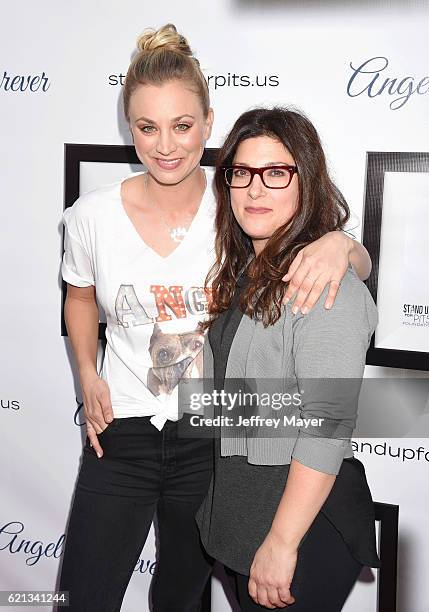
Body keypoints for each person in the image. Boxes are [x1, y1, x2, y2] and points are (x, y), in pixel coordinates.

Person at [59, 24, 373, 612]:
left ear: (208, 121)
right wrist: (86, 371)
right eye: (146, 127)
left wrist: (341, 244)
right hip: (122, 429)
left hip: (208, 434)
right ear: (129, 126)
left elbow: (329, 262)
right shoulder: (92, 217)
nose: (166, 145)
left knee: (180, 597)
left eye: (182, 125)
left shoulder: (234, 207)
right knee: (82, 596)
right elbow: (78, 294)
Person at [196, 107, 380, 611]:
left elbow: (327, 426)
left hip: (299, 531)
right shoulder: (247, 271)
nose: (255, 190)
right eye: (242, 172)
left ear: (307, 181)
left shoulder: (325, 287)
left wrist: (281, 543)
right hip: (243, 515)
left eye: (276, 173)